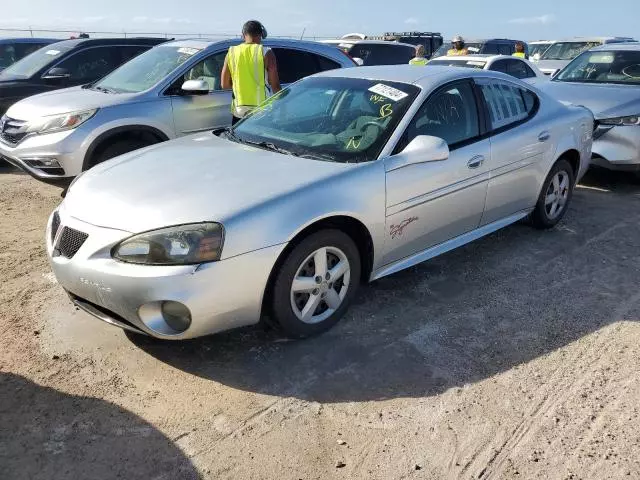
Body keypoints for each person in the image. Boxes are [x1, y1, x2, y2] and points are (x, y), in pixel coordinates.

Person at [221, 20, 281, 125]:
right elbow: (275, 85)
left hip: (239, 111)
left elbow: (224, 85)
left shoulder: (231, 53)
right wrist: (282, 105)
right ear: (261, 35)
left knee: (237, 141)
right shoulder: (266, 52)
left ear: (243, 35)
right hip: (262, 110)